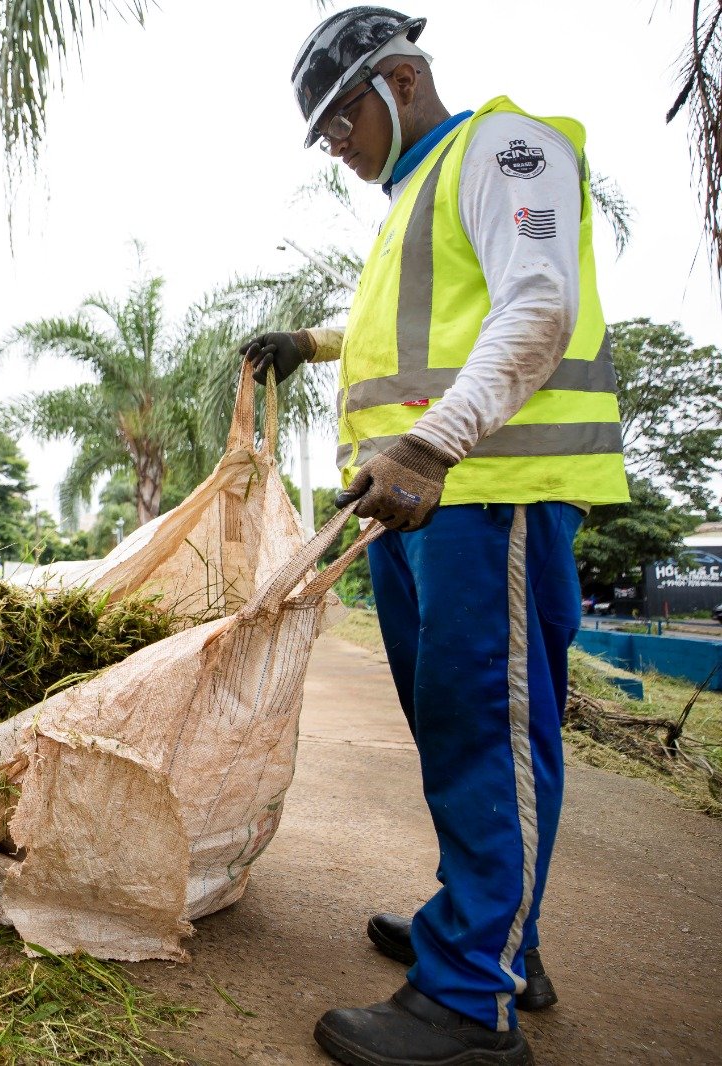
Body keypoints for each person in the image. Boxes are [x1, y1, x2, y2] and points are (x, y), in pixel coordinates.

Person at [242, 9, 629, 1065]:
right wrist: (315, 342)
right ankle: (498, 931)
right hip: (425, 500)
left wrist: (431, 445)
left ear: (399, 80)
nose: (334, 144)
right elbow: (427, 324)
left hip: (480, 489)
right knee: (459, 727)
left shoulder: (506, 147)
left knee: (482, 729)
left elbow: (535, 305)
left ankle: (468, 1001)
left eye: (337, 118)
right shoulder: (419, 190)